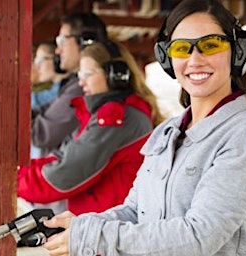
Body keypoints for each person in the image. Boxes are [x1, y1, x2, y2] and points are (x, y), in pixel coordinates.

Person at [42, 0, 246, 255]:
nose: (195, 59)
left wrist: (92, 235)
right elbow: (135, 211)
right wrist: (80, 226)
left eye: (211, 45)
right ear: (169, 59)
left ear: (237, 51)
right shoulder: (167, 132)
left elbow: (198, 238)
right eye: (181, 48)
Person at [17, 40, 164, 215]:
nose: (81, 83)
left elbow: (66, 173)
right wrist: (19, 172)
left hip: (108, 228)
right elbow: (62, 156)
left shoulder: (116, 117)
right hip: (100, 223)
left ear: (114, 75)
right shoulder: (104, 113)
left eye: (88, 74)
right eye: (80, 75)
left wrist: (10, 182)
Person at [31, 12, 109, 157]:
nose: (57, 50)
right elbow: (40, 111)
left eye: (62, 41)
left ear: (85, 42)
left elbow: (41, 133)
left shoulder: (81, 89)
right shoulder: (73, 85)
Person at [31, 41, 69, 158]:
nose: (37, 67)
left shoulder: (64, 91)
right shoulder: (57, 89)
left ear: (57, 59)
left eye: (40, 61)